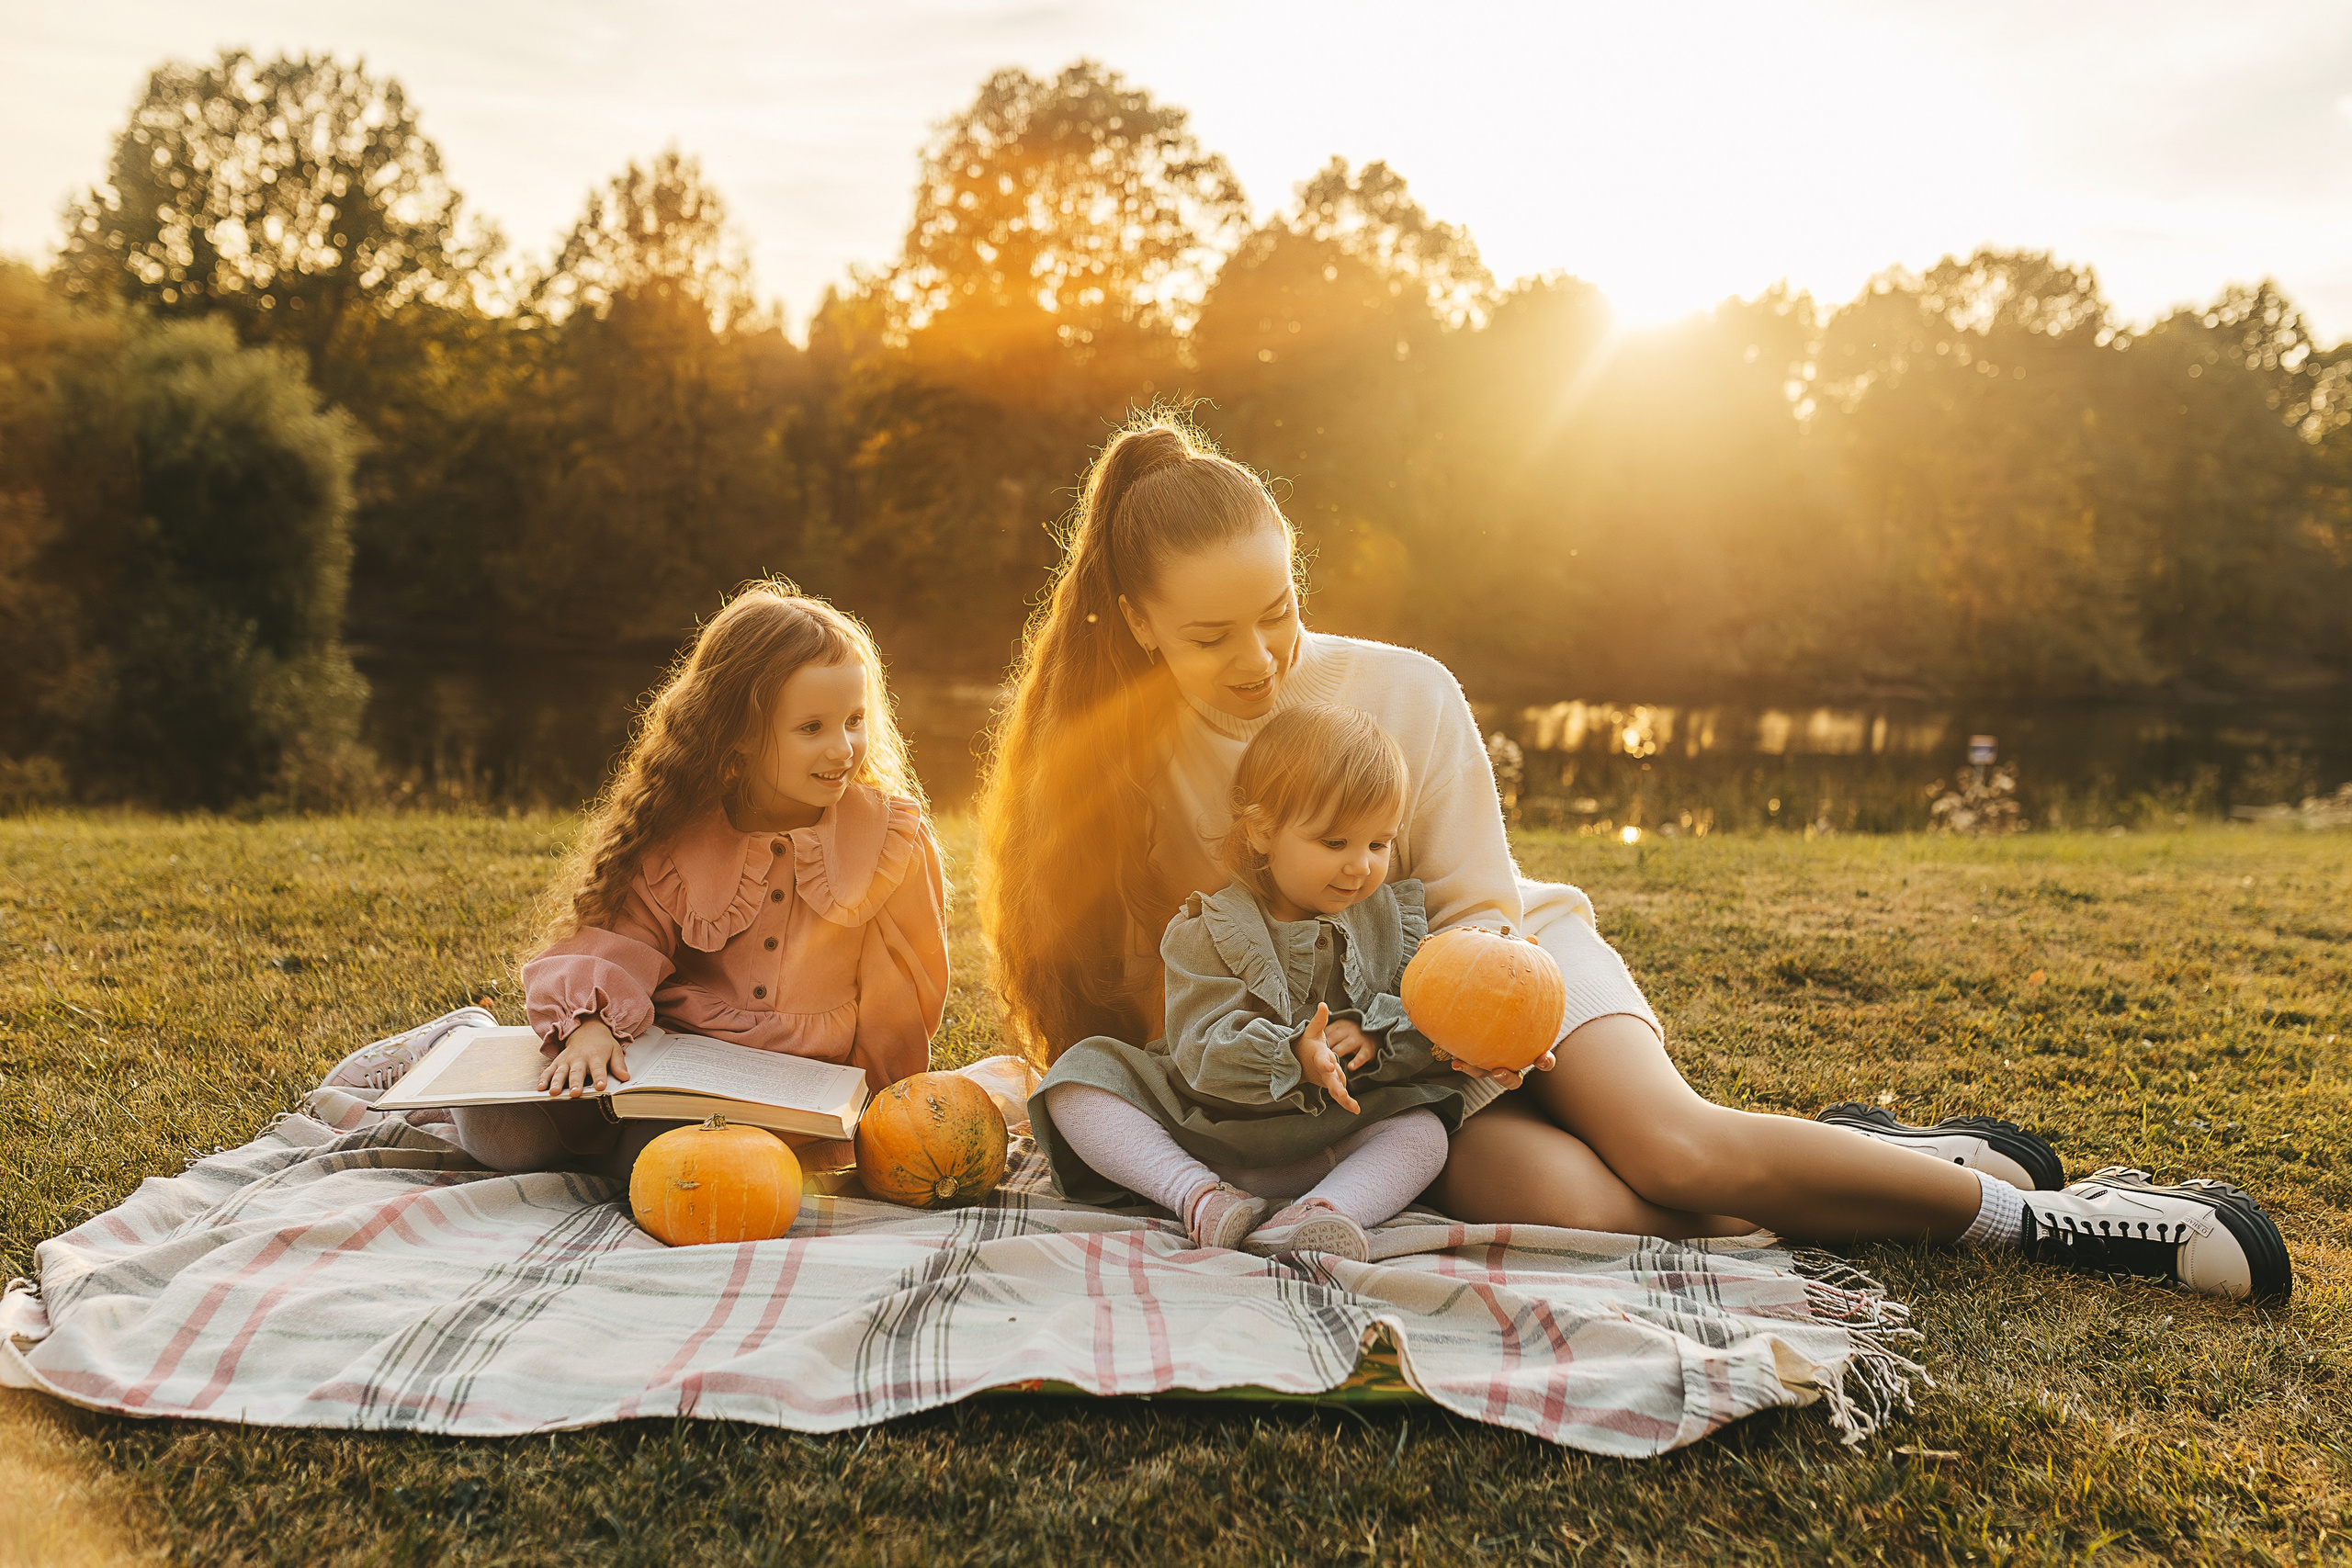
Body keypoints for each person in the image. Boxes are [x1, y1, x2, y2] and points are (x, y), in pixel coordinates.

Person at [978, 415, 2291, 1303]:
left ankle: (2075, 1220)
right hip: (1381, 1084)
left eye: (1279, 611)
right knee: (1609, 1214)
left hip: (1499, 985)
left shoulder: (1403, 689)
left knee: (1682, 1154)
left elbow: (1480, 916)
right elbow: (1159, 989)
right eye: (1212, 636)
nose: (1260, 659)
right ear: (1134, 619)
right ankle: (1884, 1152)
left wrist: (1421, 1033)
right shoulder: (1106, 768)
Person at [330, 581, 948, 1179]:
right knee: (507, 1136)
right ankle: (463, 1042)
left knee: (669, 1164)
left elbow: (901, 993)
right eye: (811, 728)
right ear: (739, 732)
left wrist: (881, 1109)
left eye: (854, 720)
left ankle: (618, 1139)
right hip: (667, 1064)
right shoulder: (681, 833)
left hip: (801, 1088)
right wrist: (594, 1027)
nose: (843, 747)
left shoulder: (888, 841)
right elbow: (621, 941)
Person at [1031, 705, 1470, 1261]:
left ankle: (1320, 1214)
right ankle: (1197, 1195)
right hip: (1207, 1122)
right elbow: (1201, 1045)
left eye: (1378, 844)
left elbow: (1422, 1010)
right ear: (1264, 831)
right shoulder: (1210, 928)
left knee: (1423, 1131)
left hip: (1325, 1133)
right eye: (1335, 844)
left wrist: (1377, 1035)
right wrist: (1293, 1054)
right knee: (1079, 1081)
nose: (1361, 867)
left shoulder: (1392, 920)